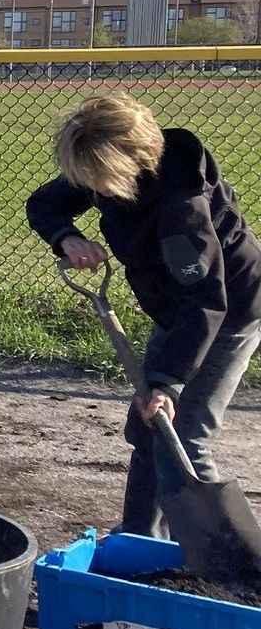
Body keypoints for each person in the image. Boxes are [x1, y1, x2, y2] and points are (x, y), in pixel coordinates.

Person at [28, 92, 261, 537]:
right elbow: (45, 204)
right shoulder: (106, 168)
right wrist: (67, 238)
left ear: (130, 162)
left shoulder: (181, 210)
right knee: (147, 430)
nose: (92, 189)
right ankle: (139, 542)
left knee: (184, 437)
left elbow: (206, 303)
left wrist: (167, 384)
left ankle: (226, 557)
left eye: (98, 179)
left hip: (228, 313)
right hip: (179, 309)